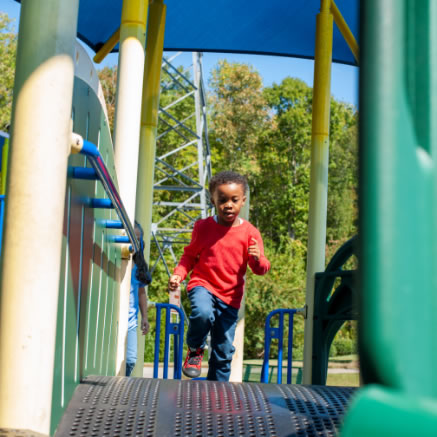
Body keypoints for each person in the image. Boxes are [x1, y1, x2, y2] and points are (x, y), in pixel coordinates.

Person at [168, 170, 270, 381]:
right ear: (213, 200)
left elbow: (260, 269)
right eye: (222, 200)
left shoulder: (250, 233)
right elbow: (189, 256)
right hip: (203, 285)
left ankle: (217, 393)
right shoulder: (203, 227)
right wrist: (179, 274)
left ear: (243, 200)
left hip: (230, 297)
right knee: (202, 313)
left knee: (223, 351)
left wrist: (258, 258)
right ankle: (195, 349)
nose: (228, 205)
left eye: (234, 200)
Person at [126, 221, 150, 377]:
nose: (135, 243)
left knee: (130, 359)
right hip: (119, 320)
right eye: (132, 239)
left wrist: (145, 317)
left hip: (131, 321)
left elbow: (141, 292)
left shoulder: (138, 266)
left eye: (138, 239)